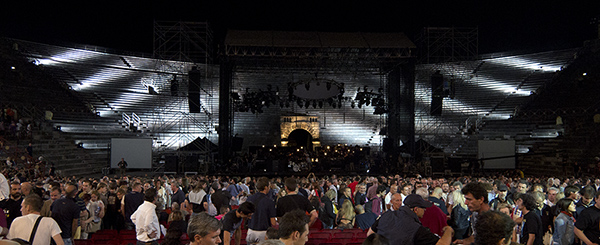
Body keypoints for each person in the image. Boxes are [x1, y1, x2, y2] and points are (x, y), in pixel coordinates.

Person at [367, 194, 454, 245]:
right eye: (423, 208)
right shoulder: (416, 228)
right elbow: (443, 244)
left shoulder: (386, 215)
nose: (425, 210)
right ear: (416, 209)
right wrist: (448, 230)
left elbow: (370, 234)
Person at [246, 177, 277, 244]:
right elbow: (273, 222)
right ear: (266, 187)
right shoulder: (269, 202)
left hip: (251, 230)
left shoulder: (249, 199)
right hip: (263, 232)